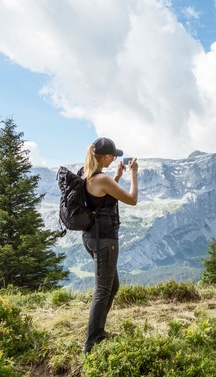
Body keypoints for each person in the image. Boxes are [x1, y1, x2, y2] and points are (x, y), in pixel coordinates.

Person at [82, 137, 138, 353]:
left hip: (91, 237)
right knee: (103, 289)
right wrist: (133, 173)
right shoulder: (101, 178)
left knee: (112, 286)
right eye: (113, 156)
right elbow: (132, 199)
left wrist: (117, 176)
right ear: (104, 157)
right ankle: (92, 342)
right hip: (105, 240)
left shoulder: (86, 173)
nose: (115, 158)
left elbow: (102, 198)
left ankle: (99, 332)